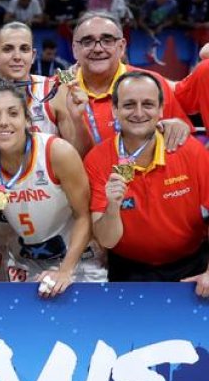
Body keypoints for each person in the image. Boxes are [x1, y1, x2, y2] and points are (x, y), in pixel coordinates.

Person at [0, 79, 104, 294]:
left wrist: (64, 271)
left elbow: (84, 216)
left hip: (77, 260)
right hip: (26, 264)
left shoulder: (57, 152)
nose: (3, 122)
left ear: (26, 119)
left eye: (13, 113)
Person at [86, 71, 209, 290]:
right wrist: (113, 206)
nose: (139, 112)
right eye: (129, 104)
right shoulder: (98, 159)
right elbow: (107, 241)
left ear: (162, 109)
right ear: (115, 110)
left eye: (148, 104)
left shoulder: (191, 151)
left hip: (192, 267)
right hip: (128, 271)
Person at [67, 12, 191, 149]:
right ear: (75, 49)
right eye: (87, 42)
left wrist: (179, 127)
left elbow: (186, 143)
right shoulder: (55, 91)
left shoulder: (152, 83)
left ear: (121, 47)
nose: (97, 49)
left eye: (107, 40)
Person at [0, 22, 89, 150]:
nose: (17, 57)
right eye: (8, 49)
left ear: (33, 56)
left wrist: (78, 120)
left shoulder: (53, 91)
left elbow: (77, 154)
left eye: (24, 49)